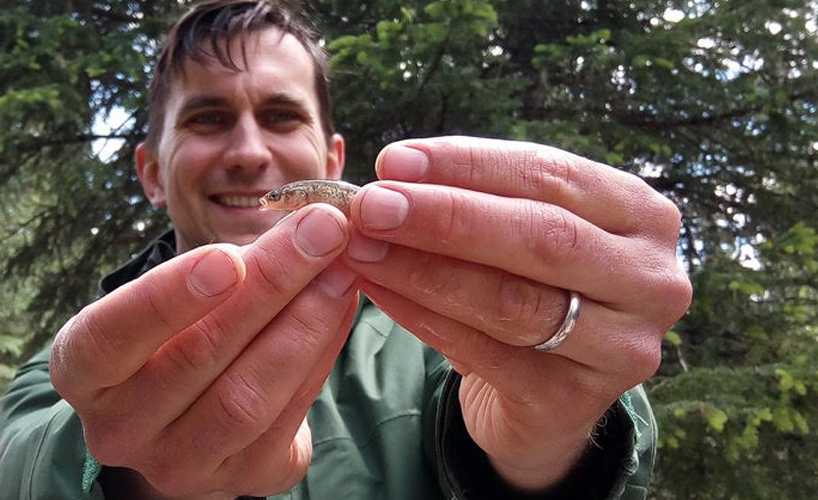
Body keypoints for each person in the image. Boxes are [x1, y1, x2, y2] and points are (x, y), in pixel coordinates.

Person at [0, 1, 692, 499]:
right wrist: (118, 468)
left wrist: (553, 432)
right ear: (151, 171)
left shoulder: (428, 331)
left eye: (281, 115)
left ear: (332, 161)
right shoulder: (73, 367)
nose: (247, 153)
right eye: (209, 119)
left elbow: (546, 433)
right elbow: (20, 456)